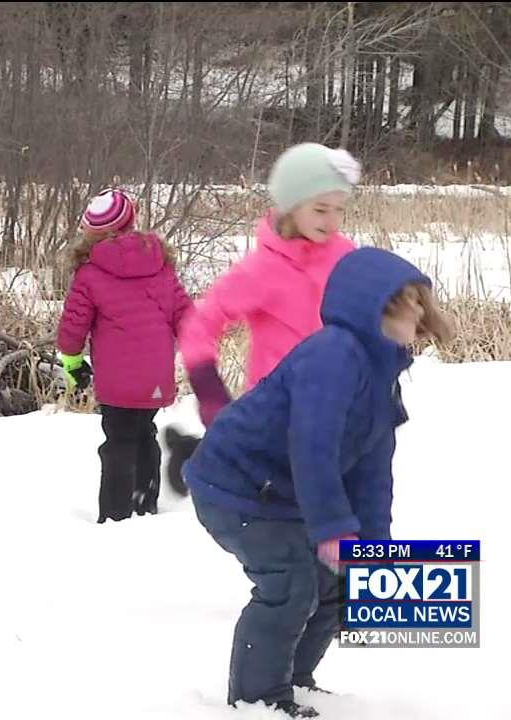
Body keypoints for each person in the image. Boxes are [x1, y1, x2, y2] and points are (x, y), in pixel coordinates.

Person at [183, 247, 454, 718]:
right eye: (408, 299)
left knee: (332, 585)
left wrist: (373, 551)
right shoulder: (333, 355)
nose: (417, 310)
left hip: (284, 493)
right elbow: (313, 444)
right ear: (374, 302)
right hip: (235, 486)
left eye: (419, 301)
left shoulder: (382, 373)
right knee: (291, 584)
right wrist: (331, 527)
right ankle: (257, 698)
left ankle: (294, 681)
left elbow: (372, 471)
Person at [168, 143, 362, 494]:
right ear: (290, 206)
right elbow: (201, 323)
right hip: (276, 412)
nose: (332, 221)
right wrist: (208, 386)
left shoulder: (346, 256)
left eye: (339, 210)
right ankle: (194, 460)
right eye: (320, 209)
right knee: (284, 505)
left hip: (336, 407)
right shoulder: (262, 271)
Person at [56, 189, 191, 522]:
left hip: (116, 381)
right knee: (144, 433)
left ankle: (116, 516)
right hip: (155, 378)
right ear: (132, 221)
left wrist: (73, 363)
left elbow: (73, 329)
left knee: (118, 440)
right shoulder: (161, 266)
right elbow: (186, 316)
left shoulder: (89, 274)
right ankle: (146, 504)